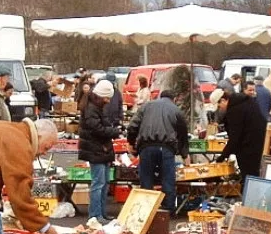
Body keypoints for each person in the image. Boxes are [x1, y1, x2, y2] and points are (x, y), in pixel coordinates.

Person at [127, 90, 190, 214]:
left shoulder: (146, 106)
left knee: (146, 179)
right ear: (174, 99)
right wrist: (185, 154)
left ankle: (145, 210)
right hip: (166, 148)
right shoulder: (176, 110)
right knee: (168, 179)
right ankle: (168, 209)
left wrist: (131, 142)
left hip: (146, 147)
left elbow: (132, 126)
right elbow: (183, 134)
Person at [78, 79, 120, 224]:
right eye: (107, 97)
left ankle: (101, 213)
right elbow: (98, 129)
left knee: (104, 183)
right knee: (99, 183)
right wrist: (114, 131)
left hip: (100, 149)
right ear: (101, 96)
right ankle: (95, 215)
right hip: (96, 150)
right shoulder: (91, 109)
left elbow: (100, 126)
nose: (108, 101)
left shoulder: (95, 107)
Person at [210, 88, 267, 185]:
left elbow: (235, 138)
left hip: (248, 146)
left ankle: (249, 196)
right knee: (254, 174)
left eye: (219, 105)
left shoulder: (234, 110)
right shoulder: (244, 101)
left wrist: (222, 157)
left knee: (248, 175)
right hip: (258, 141)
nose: (220, 108)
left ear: (223, 100)